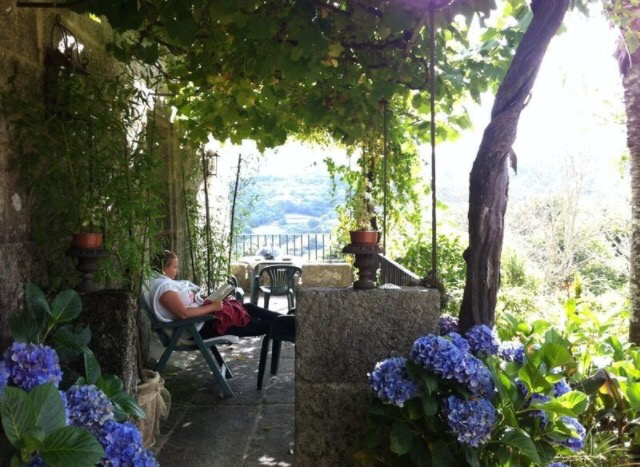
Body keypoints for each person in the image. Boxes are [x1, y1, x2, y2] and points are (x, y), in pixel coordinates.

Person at [147, 250, 280, 339]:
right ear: (163, 268)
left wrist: (212, 300)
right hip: (199, 327)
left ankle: (285, 319)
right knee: (251, 323)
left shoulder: (161, 283)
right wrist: (213, 307)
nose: (177, 271)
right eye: (174, 267)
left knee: (248, 308)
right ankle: (287, 325)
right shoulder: (164, 287)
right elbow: (184, 314)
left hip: (202, 321)